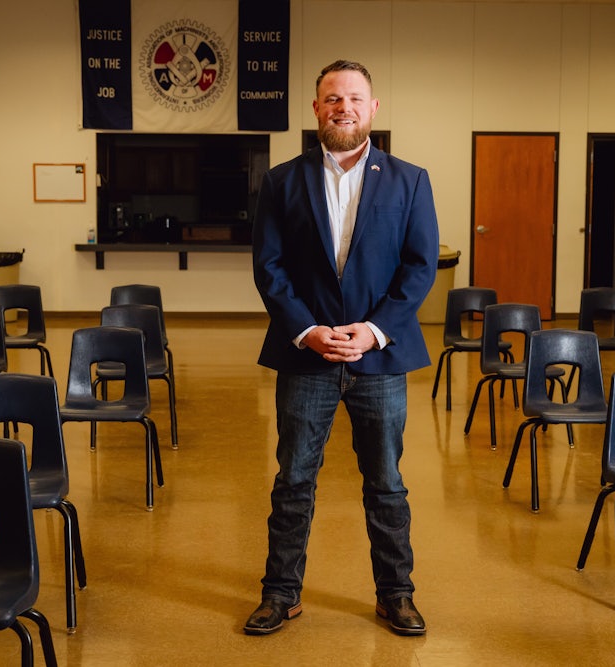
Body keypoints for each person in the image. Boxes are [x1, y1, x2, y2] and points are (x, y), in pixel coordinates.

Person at [245, 59, 439, 637]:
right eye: (332, 98)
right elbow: (270, 266)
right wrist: (306, 329)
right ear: (316, 109)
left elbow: (418, 266)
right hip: (306, 356)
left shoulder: (410, 180)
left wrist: (374, 330)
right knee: (293, 481)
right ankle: (280, 594)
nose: (344, 107)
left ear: (373, 108)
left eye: (355, 98)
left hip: (378, 359)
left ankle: (396, 595)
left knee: (386, 484)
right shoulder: (283, 181)